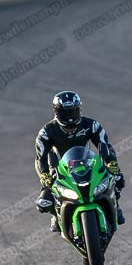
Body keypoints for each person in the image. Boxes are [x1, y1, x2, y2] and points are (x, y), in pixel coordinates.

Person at [35, 91, 125, 232]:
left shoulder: (91, 125)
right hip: (59, 168)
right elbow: (40, 158)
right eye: (66, 113)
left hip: (87, 163)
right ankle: (55, 215)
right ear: (56, 112)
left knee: (117, 179)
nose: (70, 117)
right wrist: (44, 175)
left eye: (73, 112)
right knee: (43, 201)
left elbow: (105, 145)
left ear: (79, 110)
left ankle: (116, 205)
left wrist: (111, 164)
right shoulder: (46, 132)